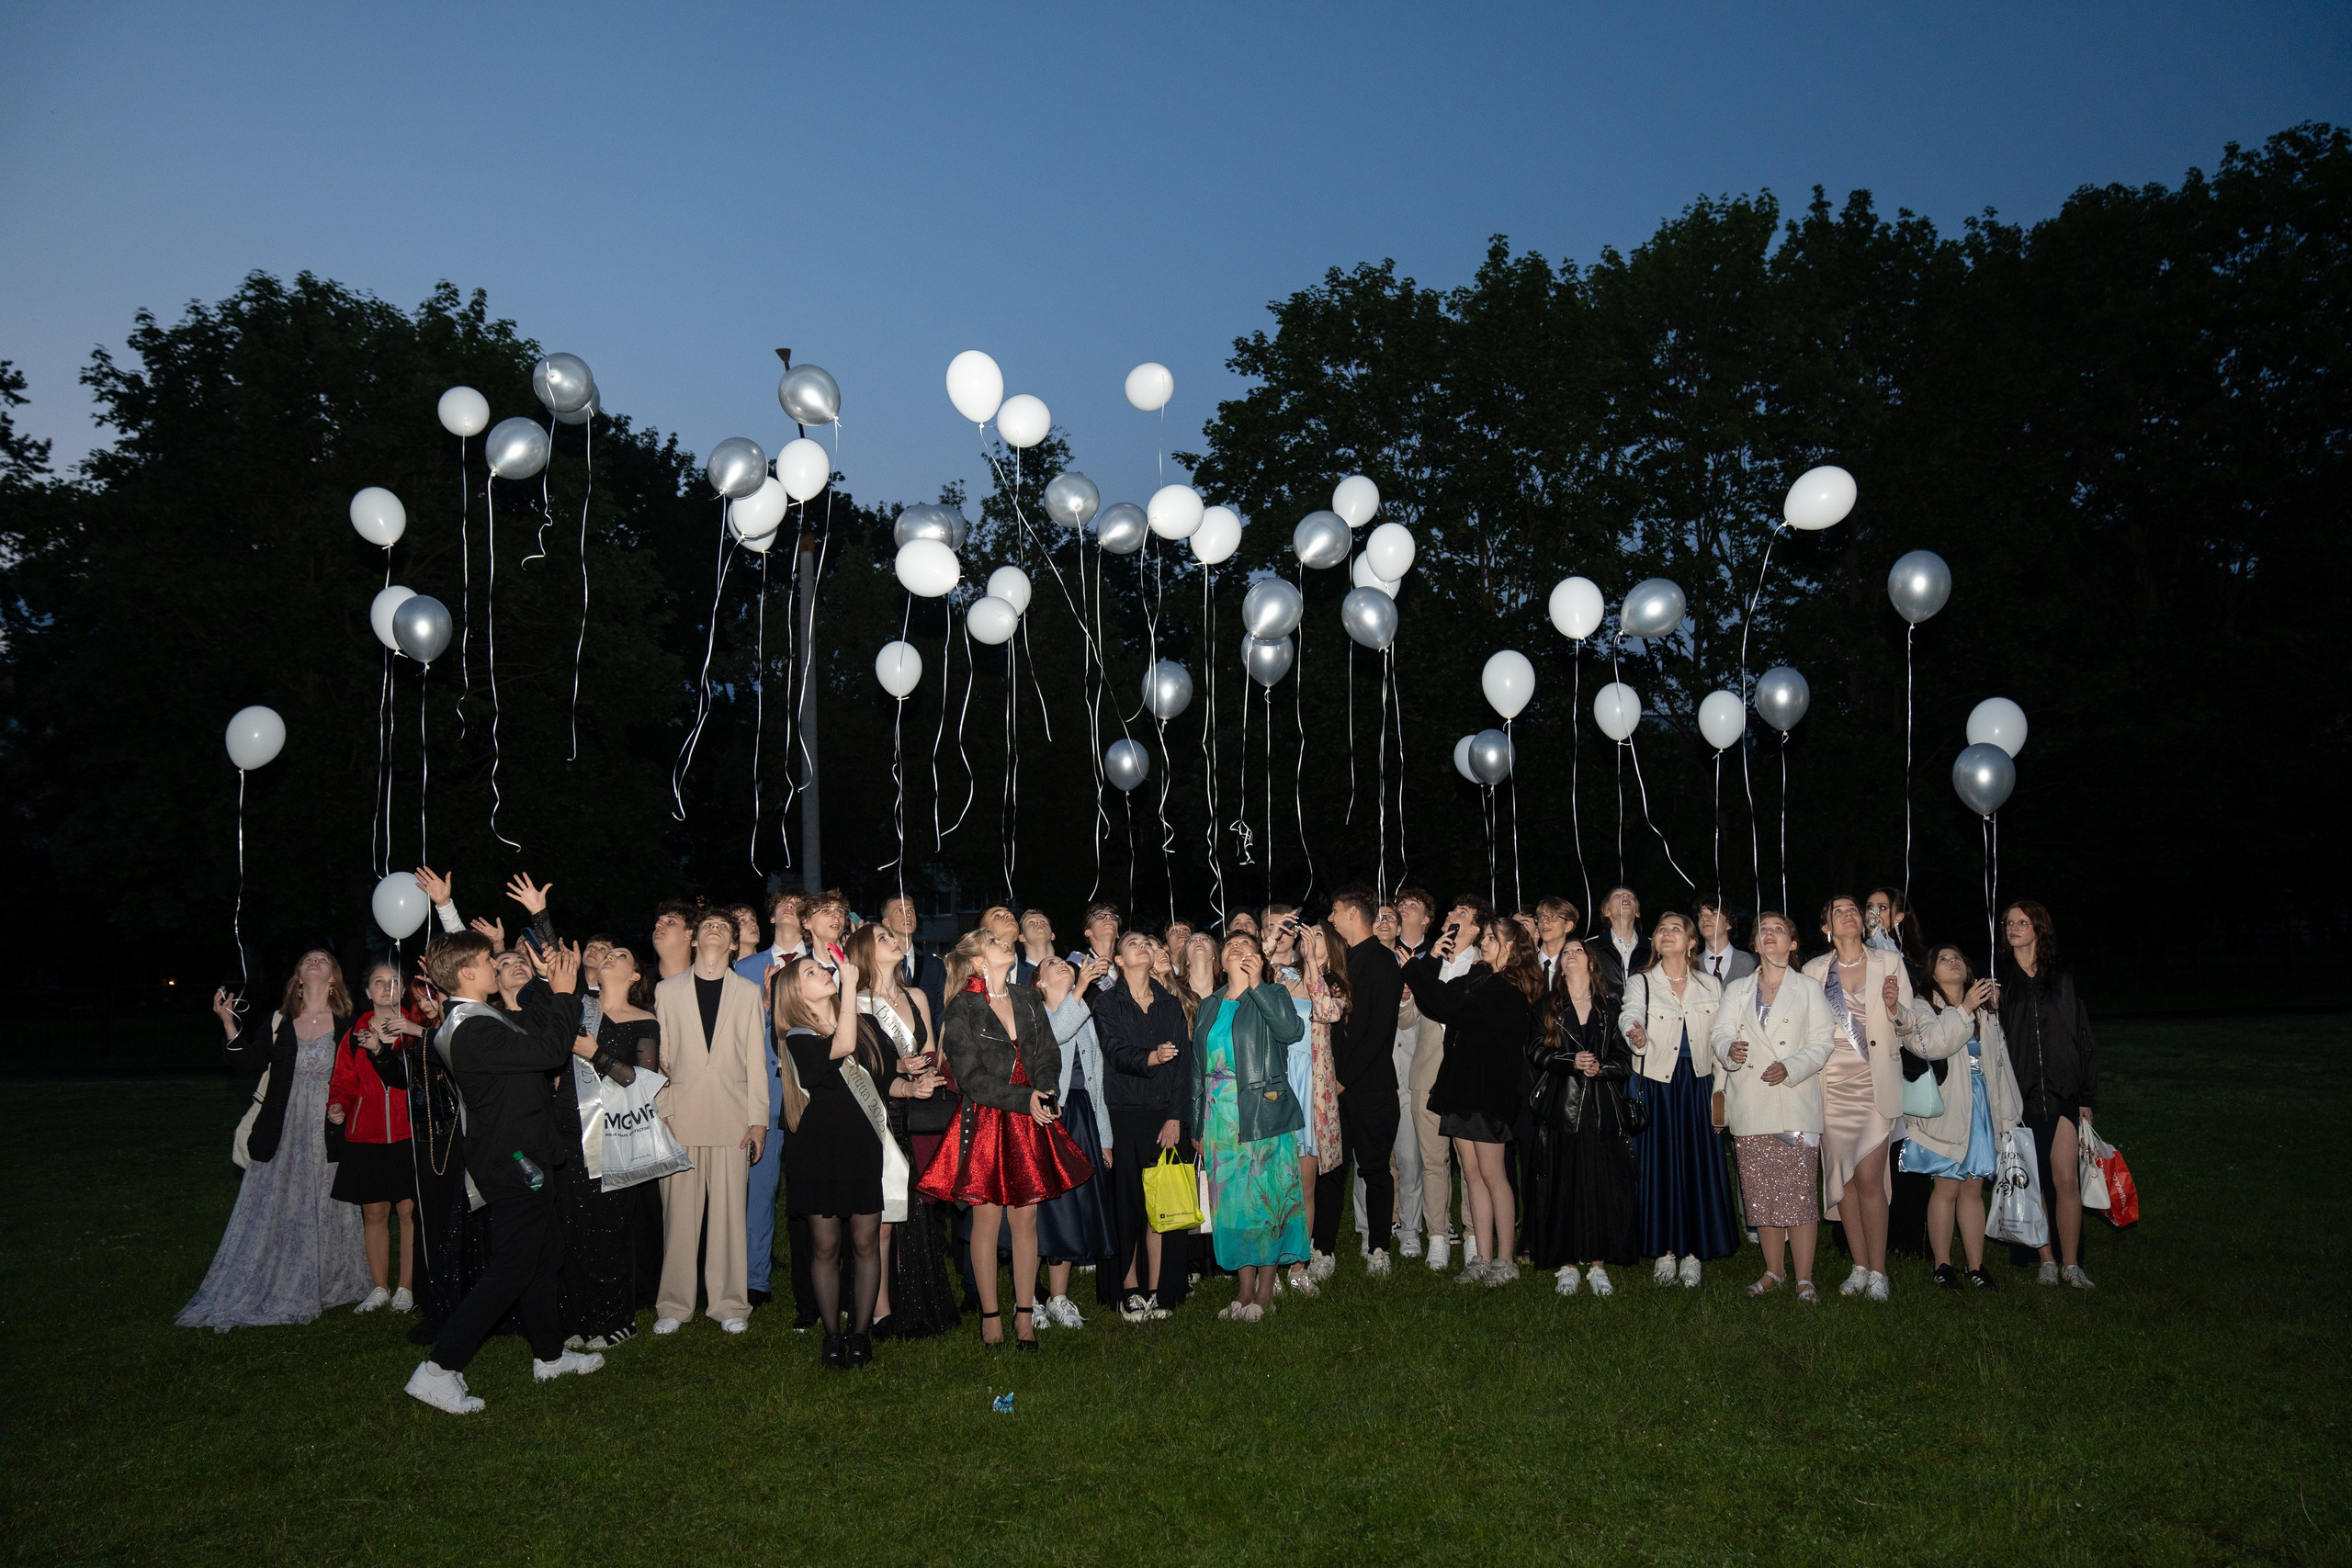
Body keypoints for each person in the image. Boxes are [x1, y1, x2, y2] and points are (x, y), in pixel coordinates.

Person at [403, 932, 603, 1414]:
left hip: (523, 1156)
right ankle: (438, 1369)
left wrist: (543, 982)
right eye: (487, 960)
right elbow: (549, 1052)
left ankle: (549, 1357)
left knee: (541, 1253)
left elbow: (532, 1032)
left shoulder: (478, 1017)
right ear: (468, 973)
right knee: (514, 1264)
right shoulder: (469, 1028)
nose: (496, 964)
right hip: (516, 1163)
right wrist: (561, 992)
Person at [919, 927, 1092, 1349]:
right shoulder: (962, 1008)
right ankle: (991, 1318)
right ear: (979, 960)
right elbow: (972, 1079)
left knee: (1027, 1219)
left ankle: (1025, 1317)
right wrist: (1024, 1097)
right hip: (988, 1120)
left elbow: (1048, 1054)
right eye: (994, 942)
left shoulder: (1028, 997)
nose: (1005, 943)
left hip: (1029, 1116)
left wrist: (1046, 1090)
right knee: (987, 1218)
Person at [180, 953, 369, 1330]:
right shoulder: (280, 1021)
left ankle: (330, 1280)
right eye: (307, 960)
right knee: (277, 1203)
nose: (314, 962)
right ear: (298, 977)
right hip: (281, 1129)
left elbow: (363, 1076)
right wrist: (228, 1021)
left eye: (323, 960)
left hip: (328, 1131)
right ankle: (269, 1277)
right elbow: (248, 1064)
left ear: (333, 978)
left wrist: (344, 1107)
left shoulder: (350, 1024)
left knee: (326, 1200)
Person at [1405, 911, 1543, 1287]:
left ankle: (1505, 1260)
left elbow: (1454, 1008)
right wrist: (1429, 961)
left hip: (1488, 1090)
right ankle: (1481, 1257)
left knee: (1494, 1174)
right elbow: (1436, 1003)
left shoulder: (1510, 989)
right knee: (1471, 1173)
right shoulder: (1480, 977)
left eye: (1493, 938)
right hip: (1461, 1086)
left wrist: (1417, 968)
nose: (1484, 942)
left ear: (1512, 947)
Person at [650, 912, 767, 1335]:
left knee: (731, 1217)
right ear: (695, 940)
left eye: (723, 927)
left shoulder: (748, 992)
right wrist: (663, 1112)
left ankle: (730, 1304)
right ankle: (674, 1305)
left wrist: (759, 1121)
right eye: (706, 926)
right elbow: (658, 1058)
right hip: (681, 1116)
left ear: (734, 945)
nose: (714, 929)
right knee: (678, 1217)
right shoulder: (666, 991)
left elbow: (757, 1058)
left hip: (734, 1117)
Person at [1712, 913, 1837, 1301]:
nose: (1769, 935)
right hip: (1750, 1103)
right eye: (1762, 930)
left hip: (1794, 1102)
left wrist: (1791, 1066)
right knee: (1760, 1194)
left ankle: (1803, 1277)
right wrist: (1728, 1050)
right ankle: (1773, 1270)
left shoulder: (1808, 989)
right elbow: (1719, 1034)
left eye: (1779, 930)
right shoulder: (1737, 990)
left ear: (1793, 944)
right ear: (1754, 943)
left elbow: (1822, 1042)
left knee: (1798, 1195)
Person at [1800, 894, 1918, 1302]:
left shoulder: (1889, 963)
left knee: (1869, 1177)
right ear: (1826, 926)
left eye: (1854, 910)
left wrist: (1893, 1007)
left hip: (1873, 1082)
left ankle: (1880, 1271)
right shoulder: (1814, 970)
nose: (1849, 914)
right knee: (1844, 1181)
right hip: (1830, 1086)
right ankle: (1859, 1265)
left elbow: (1908, 1023)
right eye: (1839, 911)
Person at [843, 921, 958, 1340]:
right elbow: (852, 1064)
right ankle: (880, 1310)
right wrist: (898, 1069)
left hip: (917, 1112)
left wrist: (924, 1075)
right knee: (883, 1218)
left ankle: (915, 1301)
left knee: (915, 1211)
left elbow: (928, 1052)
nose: (893, 939)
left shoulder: (917, 996)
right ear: (863, 952)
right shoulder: (854, 1002)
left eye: (893, 936)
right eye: (882, 938)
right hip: (875, 1113)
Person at [772, 950, 886, 1369]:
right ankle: (832, 1336)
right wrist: (852, 988)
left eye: (821, 968)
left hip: (860, 1145)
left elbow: (880, 1077)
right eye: (812, 971)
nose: (824, 972)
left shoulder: (858, 1023)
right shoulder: (797, 1036)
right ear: (794, 991)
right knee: (825, 1245)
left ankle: (860, 1335)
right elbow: (843, 1045)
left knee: (865, 1241)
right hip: (817, 1151)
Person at [1193, 931, 1309, 1321]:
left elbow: (1291, 1032)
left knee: (1265, 1201)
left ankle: (1265, 1292)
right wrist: (1197, 1123)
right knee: (1232, 1207)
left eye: (1247, 947)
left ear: (1260, 958)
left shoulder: (1272, 994)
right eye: (1230, 947)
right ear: (1220, 961)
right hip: (1219, 1120)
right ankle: (1243, 1291)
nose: (1239, 951)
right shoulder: (1208, 1005)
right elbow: (1196, 1069)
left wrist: (1258, 985)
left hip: (1262, 1113)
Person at [1622, 911, 1735, 1286]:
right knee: (1660, 1167)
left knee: (1695, 1166)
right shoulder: (1642, 981)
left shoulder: (1710, 985)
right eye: (1661, 928)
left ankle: (1692, 1253)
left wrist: (1722, 1086)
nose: (1666, 933)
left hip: (1698, 1085)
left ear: (1691, 942)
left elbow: (1721, 1037)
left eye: (1675, 929)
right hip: (1656, 1084)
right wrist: (1634, 1032)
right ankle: (1664, 1251)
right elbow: (1629, 1013)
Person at [1898, 942, 2017, 1290]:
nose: (1953, 962)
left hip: (1982, 1107)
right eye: (1944, 959)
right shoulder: (1923, 1006)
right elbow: (1933, 1046)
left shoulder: (1983, 1007)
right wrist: (1964, 1008)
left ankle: (1976, 1266)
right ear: (1932, 972)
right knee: (1947, 1186)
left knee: (1973, 1187)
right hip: (1948, 1106)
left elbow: (1999, 1063)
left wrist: (2008, 1112)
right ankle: (1942, 1265)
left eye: (1958, 958)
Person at [1522, 938, 1638, 1293]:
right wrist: (1569, 1061)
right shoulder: (1548, 1004)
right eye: (1566, 952)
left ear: (1591, 963)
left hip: (1602, 1108)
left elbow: (1625, 1059)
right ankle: (1567, 1263)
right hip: (1562, 1106)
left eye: (1578, 951)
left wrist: (1599, 1068)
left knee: (1601, 1182)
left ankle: (1598, 1263)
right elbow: (1535, 1050)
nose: (1571, 954)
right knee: (1563, 1182)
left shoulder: (1610, 1007)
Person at [1091, 930, 1195, 1320]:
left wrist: (1175, 1117)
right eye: (1133, 944)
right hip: (1126, 1115)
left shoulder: (1169, 1003)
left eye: (1148, 944)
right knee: (1129, 1206)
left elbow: (1185, 1067)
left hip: (1164, 1115)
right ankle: (1128, 1288)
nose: (1144, 948)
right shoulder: (1107, 1003)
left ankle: (1161, 1290)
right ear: (1119, 960)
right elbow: (1115, 1052)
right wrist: (1150, 1057)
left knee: (1164, 1205)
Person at [1997, 901, 2099, 1288]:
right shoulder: (2000, 980)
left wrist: (2087, 1095)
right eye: (2009, 922)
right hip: (2021, 1095)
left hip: (2063, 1094)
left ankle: (2072, 1265)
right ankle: (2046, 1260)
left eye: (2022, 922)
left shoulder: (2062, 976)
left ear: (2039, 927)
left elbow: (2083, 1034)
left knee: (2066, 1179)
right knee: (2033, 1180)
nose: (2014, 927)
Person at [1317, 885, 1407, 1278]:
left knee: (1374, 1168)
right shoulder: (1338, 965)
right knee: (1331, 1170)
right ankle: (1323, 1250)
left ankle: (1379, 1248)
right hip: (1335, 1087)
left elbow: (1378, 1033)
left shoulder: (1383, 963)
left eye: (1335, 911)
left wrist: (1343, 1079)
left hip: (1371, 1088)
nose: (1332, 919)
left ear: (1353, 914)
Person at [327, 962, 423, 1314]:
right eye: (378, 982)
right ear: (367, 992)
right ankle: (379, 1287)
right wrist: (338, 1104)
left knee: (409, 1212)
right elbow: (342, 1081)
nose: (387, 988)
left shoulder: (415, 1029)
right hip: (365, 1136)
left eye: (394, 981)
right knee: (374, 1213)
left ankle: (406, 1288)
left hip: (408, 1134)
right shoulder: (354, 1032)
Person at [1030, 953, 1119, 1328]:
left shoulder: (1084, 1014)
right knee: (1042, 1210)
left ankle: (1059, 1297)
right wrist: (1081, 987)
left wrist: (1105, 1137)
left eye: (1065, 962)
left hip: (1081, 1115)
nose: (1063, 964)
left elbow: (1096, 1078)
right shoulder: (1035, 1016)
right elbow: (1055, 1035)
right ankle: (1030, 1299)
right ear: (1040, 983)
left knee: (1069, 1207)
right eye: (1052, 964)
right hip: (1050, 1117)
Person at [1406, 893, 1487, 1270]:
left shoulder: (1485, 967)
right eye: (1452, 911)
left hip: (1467, 1073)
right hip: (1426, 1070)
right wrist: (1409, 992)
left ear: (1475, 928)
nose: (1452, 916)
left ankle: (1473, 1234)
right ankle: (1438, 1235)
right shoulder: (1425, 962)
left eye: (1462, 913)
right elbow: (1406, 1022)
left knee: (1470, 1160)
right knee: (1432, 1159)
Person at [1269, 911, 1344, 1292]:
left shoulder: (1333, 985)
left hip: (1310, 1089)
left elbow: (1327, 1012)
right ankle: (1270, 1267)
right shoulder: (1282, 977)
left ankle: (1298, 1266)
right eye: (1305, 933)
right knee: (1272, 1183)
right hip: (1276, 1085)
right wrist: (1274, 935)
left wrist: (1314, 964)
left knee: (1304, 1185)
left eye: (1318, 935)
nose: (1308, 938)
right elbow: (1246, 976)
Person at [591, 945, 666, 1315]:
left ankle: (636, 1292)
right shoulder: (579, 1011)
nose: (609, 957)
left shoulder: (644, 1020)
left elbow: (640, 1079)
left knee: (631, 1213)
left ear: (635, 975)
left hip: (624, 1130)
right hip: (580, 1127)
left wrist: (595, 1054)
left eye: (621, 955)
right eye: (606, 954)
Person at [880, 893, 946, 1027]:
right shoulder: (879, 964)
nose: (908, 916)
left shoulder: (935, 965)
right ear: (886, 922)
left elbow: (942, 1013)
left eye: (911, 911)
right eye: (900, 911)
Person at [1588, 886, 1650, 994]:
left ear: (1637, 912)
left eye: (1630, 896)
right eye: (1617, 896)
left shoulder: (1654, 947)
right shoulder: (1590, 947)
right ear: (1606, 911)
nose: (1625, 896)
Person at [1865, 886, 1926, 979]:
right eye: (1870, 907)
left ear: (1898, 917)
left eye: (1882, 907)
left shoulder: (1916, 954)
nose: (1874, 913)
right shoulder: (1857, 944)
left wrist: (1882, 939)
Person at [1695, 900, 1757, 987]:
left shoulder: (1752, 963)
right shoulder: (1691, 966)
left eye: (1714, 914)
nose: (1705, 919)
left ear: (1728, 923)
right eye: (1702, 915)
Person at [1069, 901, 1121, 989]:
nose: (1108, 918)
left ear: (1117, 934)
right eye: (1100, 916)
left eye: (1113, 917)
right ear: (1088, 932)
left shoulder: (1126, 965)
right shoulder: (1074, 964)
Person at [1533, 897, 1582, 988]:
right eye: (1541, 916)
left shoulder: (1578, 966)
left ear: (1568, 926)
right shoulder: (1527, 965)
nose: (1545, 921)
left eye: (1553, 917)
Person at [650, 899, 697, 979]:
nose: (658, 924)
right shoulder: (640, 984)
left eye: (670, 922)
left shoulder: (705, 982)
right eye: (658, 921)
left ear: (689, 935)